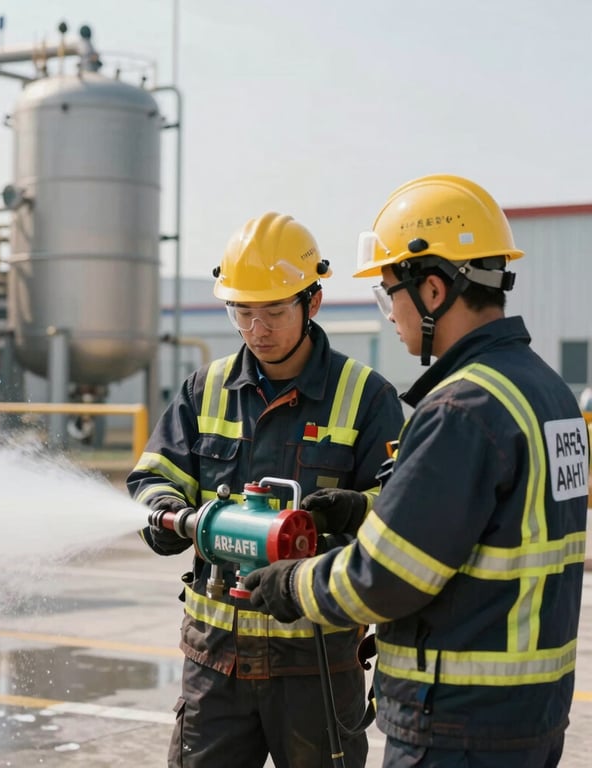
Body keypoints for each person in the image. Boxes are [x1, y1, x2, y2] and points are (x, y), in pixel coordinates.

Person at [244, 175, 590, 768]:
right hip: (529, 714)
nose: (389, 315)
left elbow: (385, 577)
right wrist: (367, 509)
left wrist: (291, 586)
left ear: (432, 289)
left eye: (388, 294)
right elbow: (488, 522)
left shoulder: (463, 407)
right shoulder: (547, 392)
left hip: (456, 722)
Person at [128, 211, 405, 768]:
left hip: (318, 664)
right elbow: (152, 476)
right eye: (243, 311)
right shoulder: (203, 389)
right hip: (215, 663)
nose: (258, 328)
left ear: (313, 302)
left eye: (275, 311)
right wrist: (164, 512)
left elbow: (401, 513)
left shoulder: (366, 397)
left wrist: (351, 512)